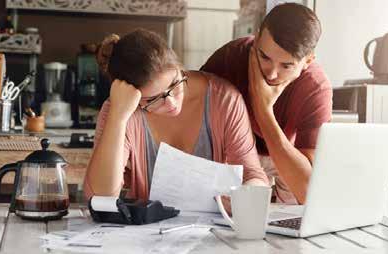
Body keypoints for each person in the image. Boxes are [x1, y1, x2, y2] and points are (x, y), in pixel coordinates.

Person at [83, 29, 269, 203]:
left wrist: (243, 197)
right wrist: (118, 117)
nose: (171, 102)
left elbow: (254, 176)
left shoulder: (224, 99)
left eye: (175, 83)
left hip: (211, 232)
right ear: (130, 95)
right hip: (146, 234)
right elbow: (100, 197)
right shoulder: (119, 109)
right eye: (154, 99)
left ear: (180, 68)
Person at [201, 3, 332, 204]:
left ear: (308, 61)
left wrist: (263, 109)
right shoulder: (231, 57)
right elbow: (191, 110)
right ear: (256, 38)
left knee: (297, 214)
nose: (271, 73)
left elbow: (307, 190)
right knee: (224, 208)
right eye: (264, 57)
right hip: (232, 151)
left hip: (286, 154)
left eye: (286, 65)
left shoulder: (315, 88)